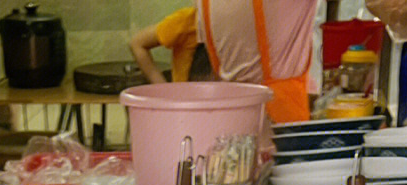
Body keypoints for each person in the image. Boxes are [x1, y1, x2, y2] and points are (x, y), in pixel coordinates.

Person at [130, 0, 320, 123]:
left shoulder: (208, 6)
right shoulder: (192, 18)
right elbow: (138, 43)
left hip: (231, 114)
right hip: (278, 115)